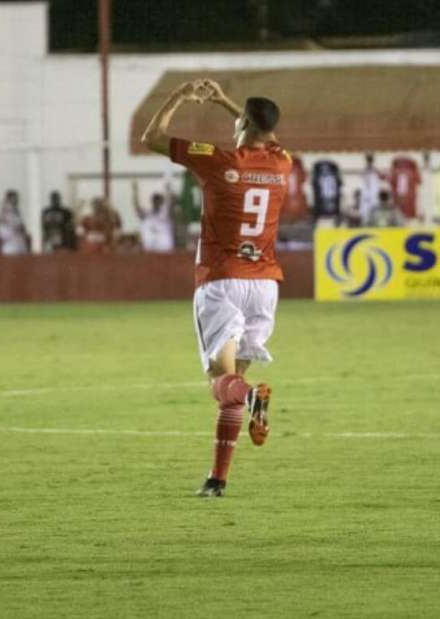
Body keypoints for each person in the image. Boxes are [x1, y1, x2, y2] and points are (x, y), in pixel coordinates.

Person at [142, 78, 289, 498]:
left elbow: (150, 137)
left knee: (220, 385)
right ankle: (217, 480)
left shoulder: (217, 159)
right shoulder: (282, 165)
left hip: (222, 281)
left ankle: (254, 399)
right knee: (232, 387)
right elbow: (266, 134)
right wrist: (228, 103)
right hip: (264, 285)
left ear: (242, 124)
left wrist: (181, 96)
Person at [132, 180, 175, 253]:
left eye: (158, 201)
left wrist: (169, 191)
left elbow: (170, 204)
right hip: (150, 249)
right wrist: (135, 191)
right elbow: (137, 207)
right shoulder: (147, 214)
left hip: (165, 249)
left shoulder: (165, 214)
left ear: (161, 202)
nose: (156, 203)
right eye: (155, 201)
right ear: (152, 202)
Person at [0, 190, 30, 255]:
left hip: (20, 241)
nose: (16, 200)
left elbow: (21, 226)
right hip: (9, 243)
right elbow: (5, 227)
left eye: (16, 198)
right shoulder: (5, 211)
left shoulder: (17, 211)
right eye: (13, 198)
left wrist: (23, 231)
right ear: (8, 199)